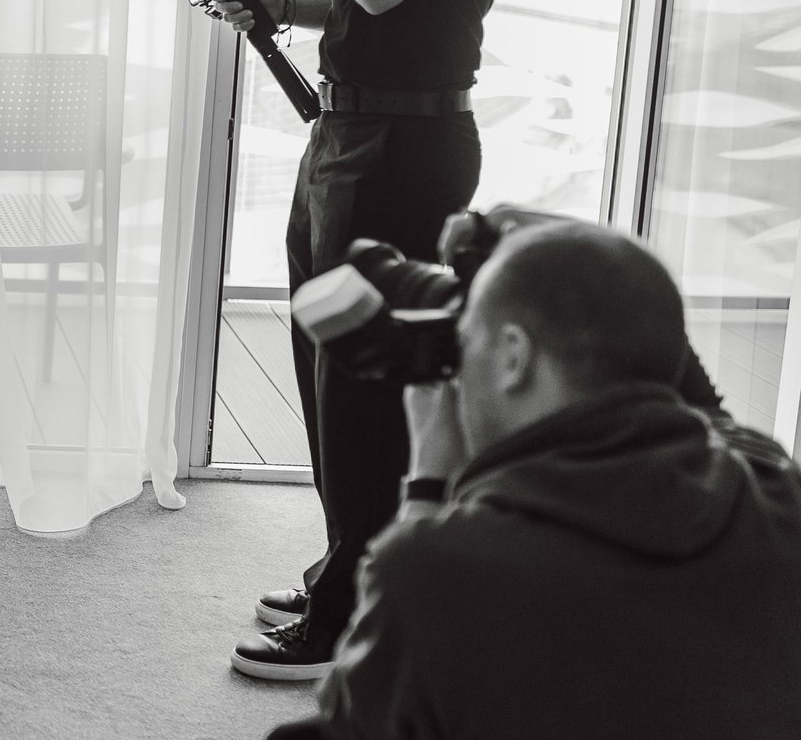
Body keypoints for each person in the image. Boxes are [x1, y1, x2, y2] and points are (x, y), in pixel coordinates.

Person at [215, 0, 519, 678]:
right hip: (359, 122)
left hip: (404, 136)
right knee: (324, 353)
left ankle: (358, 607)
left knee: (361, 374)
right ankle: (351, 557)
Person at [269, 218, 801, 739]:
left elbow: (354, 721)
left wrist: (427, 489)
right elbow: (683, 372)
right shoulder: (775, 483)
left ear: (513, 357)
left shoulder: (436, 571)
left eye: (468, 339)